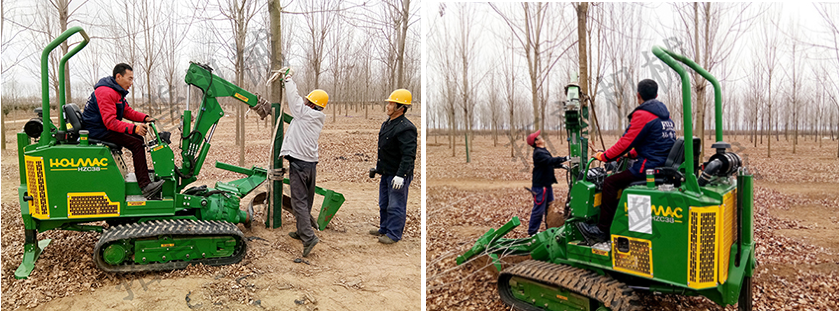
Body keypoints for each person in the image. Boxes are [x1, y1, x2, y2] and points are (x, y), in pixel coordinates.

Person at [576, 79, 676, 244]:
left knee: (610, 182)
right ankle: (617, 220)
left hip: (648, 167)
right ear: (657, 95)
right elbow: (656, 143)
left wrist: (604, 156)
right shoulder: (666, 118)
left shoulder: (643, 115)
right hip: (661, 165)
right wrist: (631, 154)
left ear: (638, 96)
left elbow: (625, 142)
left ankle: (601, 230)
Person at [81, 63, 163, 199]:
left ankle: (144, 178)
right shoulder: (106, 92)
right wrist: (134, 128)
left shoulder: (116, 92)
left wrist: (145, 118)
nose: (131, 82)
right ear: (118, 76)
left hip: (102, 128)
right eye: (129, 78)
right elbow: (110, 122)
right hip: (97, 130)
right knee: (136, 144)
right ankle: (145, 186)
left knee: (138, 140)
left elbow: (127, 111)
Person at [277, 67, 328, 257]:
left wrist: (288, 80)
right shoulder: (315, 117)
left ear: (313, 105)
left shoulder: (306, 113)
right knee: (306, 200)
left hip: (299, 164)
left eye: (308, 101)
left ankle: (309, 237)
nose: (305, 101)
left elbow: (294, 100)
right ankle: (301, 230)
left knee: (298, 201)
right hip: (310, 164)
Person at [369, 89, 417, 244]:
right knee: (384, 203)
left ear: (400, 108)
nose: (388, 106)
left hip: (398, 175)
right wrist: (378, 168)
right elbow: (385, 149)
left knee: (395, 205)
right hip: (387, 172)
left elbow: (408, 155)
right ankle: (384, 228)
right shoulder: (387, 124)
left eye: (391, 103)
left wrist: (401, 175)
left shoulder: (406, 128)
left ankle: (394, 234)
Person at [526, 130, 568, 236]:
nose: (541, 137)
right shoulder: (538, 153)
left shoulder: (543, 150)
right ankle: (532, 232)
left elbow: (548, 162)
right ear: (536, 142)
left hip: (547, 185)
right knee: (539, 209)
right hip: (540, 186)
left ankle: (548, 229)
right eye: (538, 137)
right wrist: (565, 158)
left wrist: (561, 165)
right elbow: (549, 161)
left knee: (549, 207)